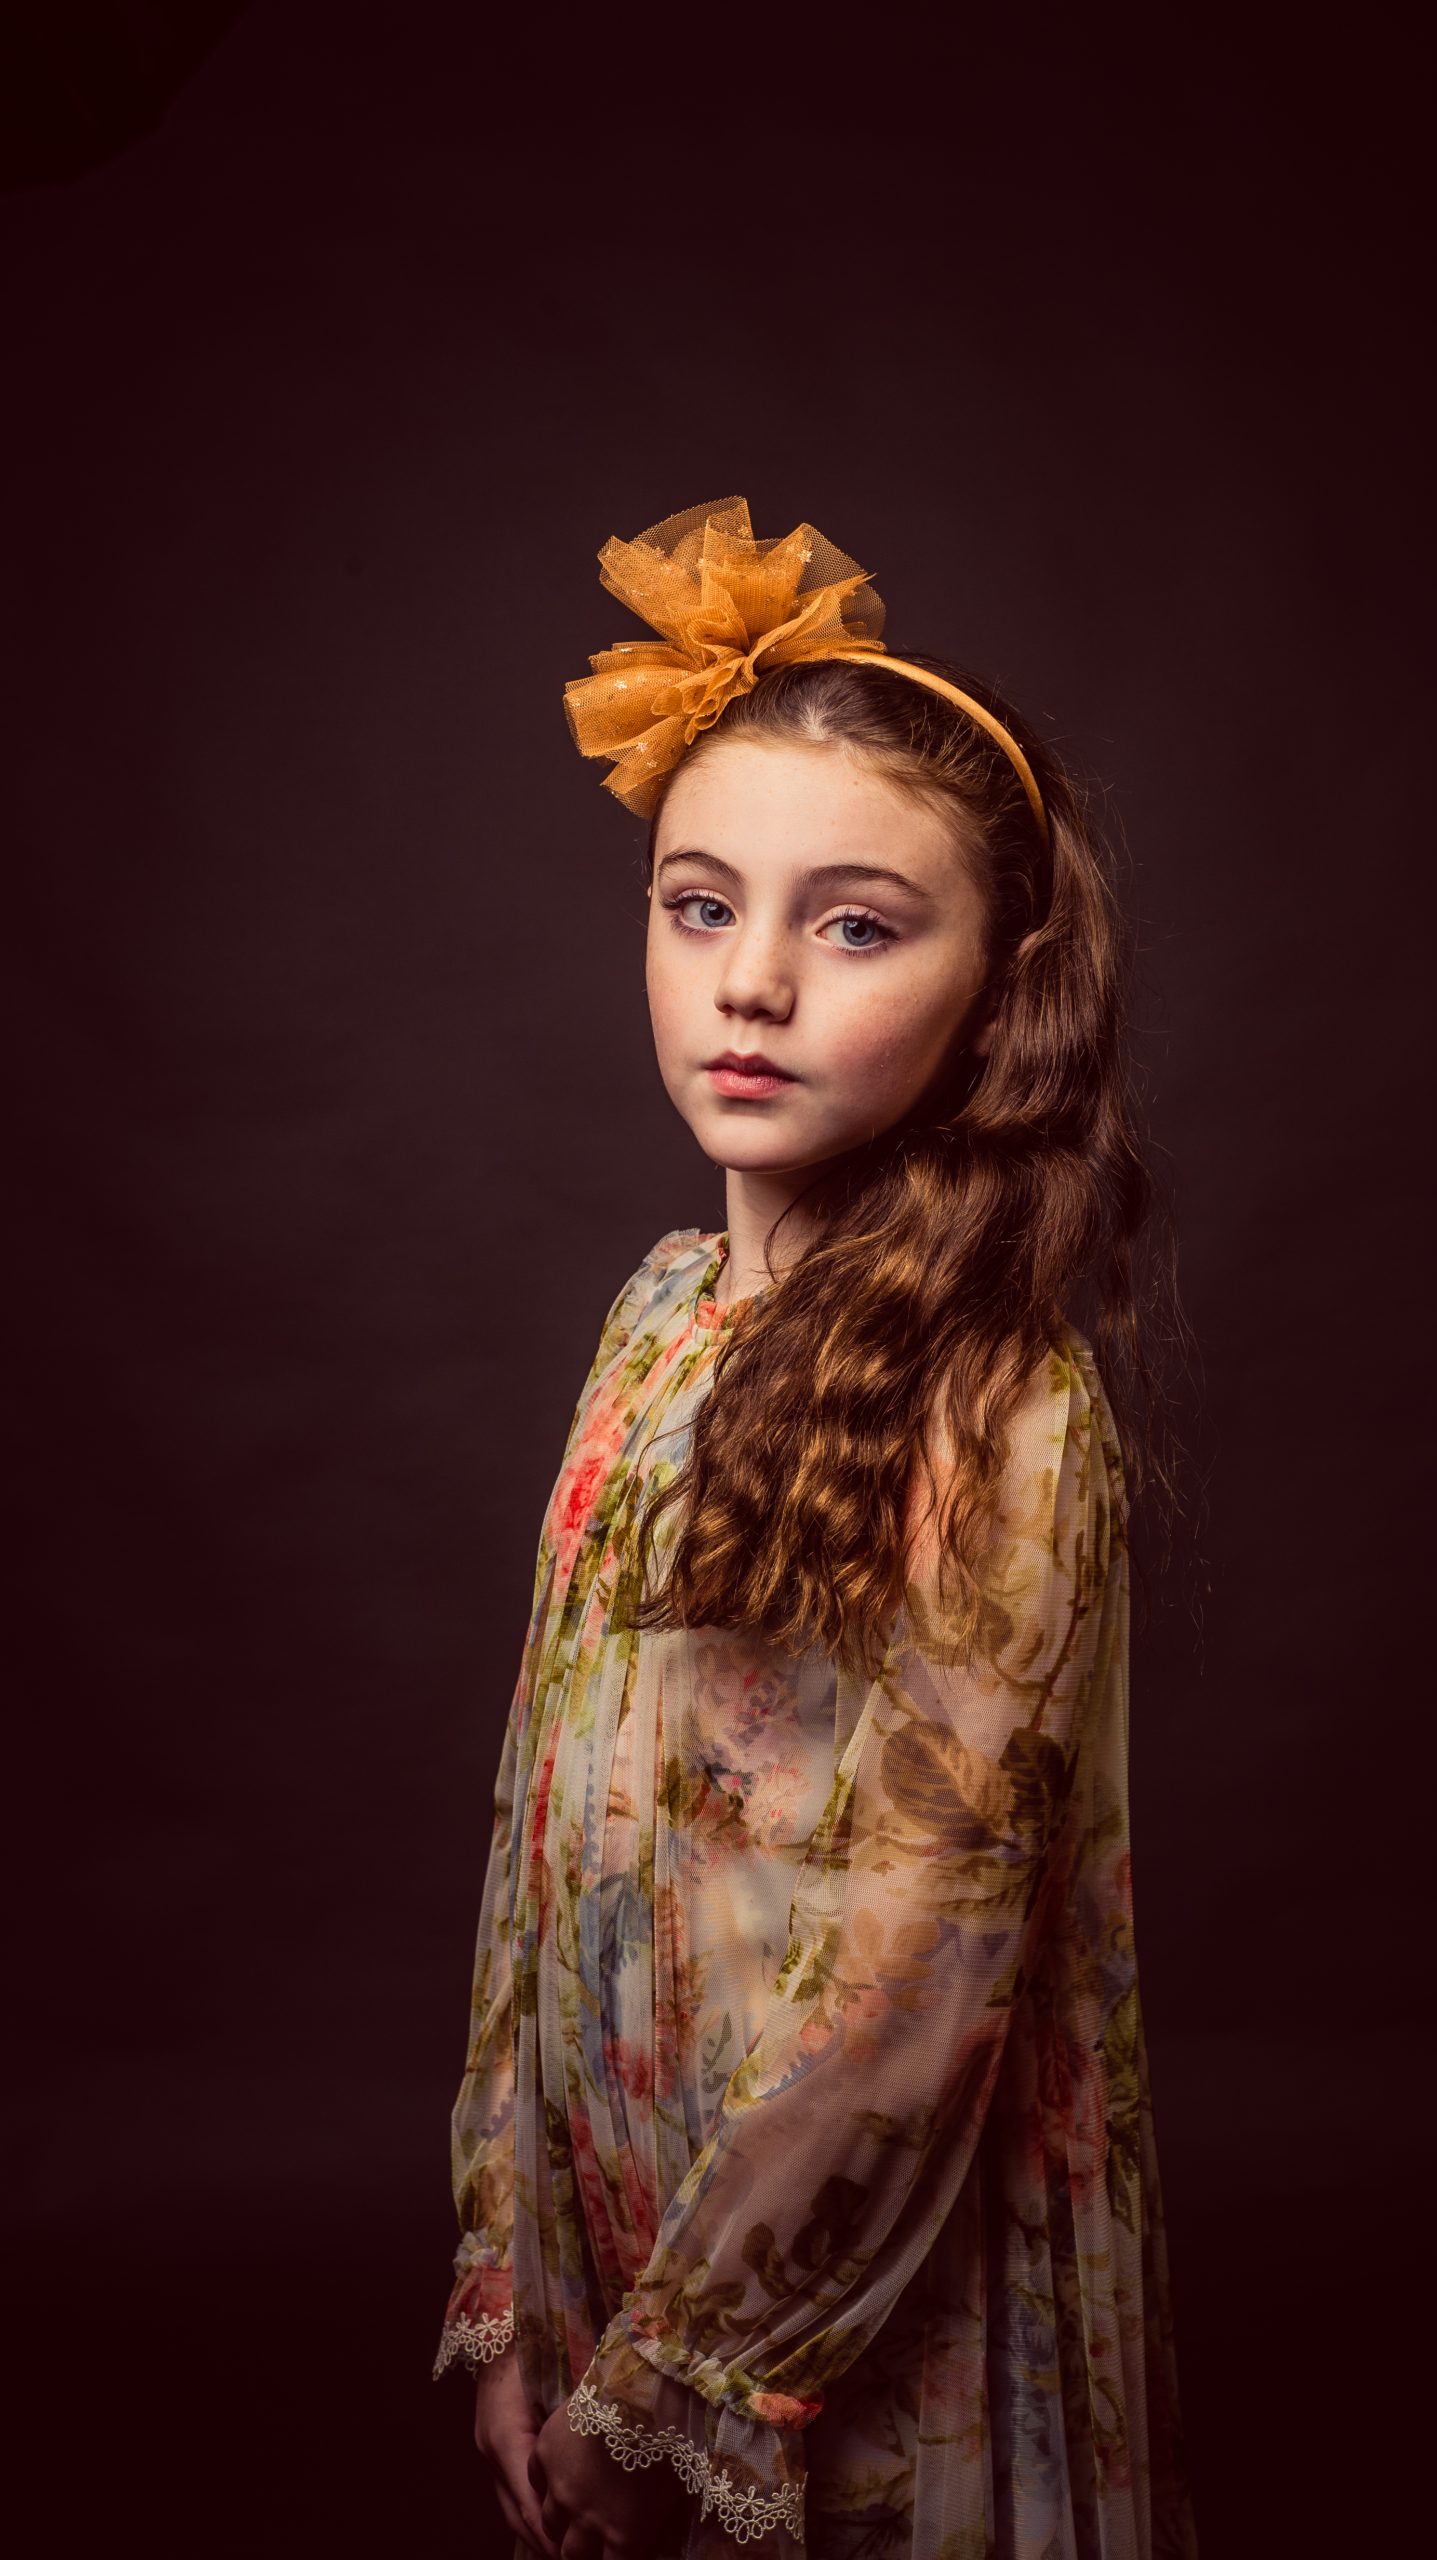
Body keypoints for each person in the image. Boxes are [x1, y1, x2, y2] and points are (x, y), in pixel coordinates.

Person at [433, 498, 1197, 2559]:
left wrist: (676, 2374)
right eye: (701, 904)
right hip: (618, 2235)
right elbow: (535, 1835)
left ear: (999, 982)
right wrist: (510, 2284)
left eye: (857, 924)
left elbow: (907, 1980)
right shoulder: (662, 1312)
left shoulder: (998, 1400)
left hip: (832, 2314)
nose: (750, 981)